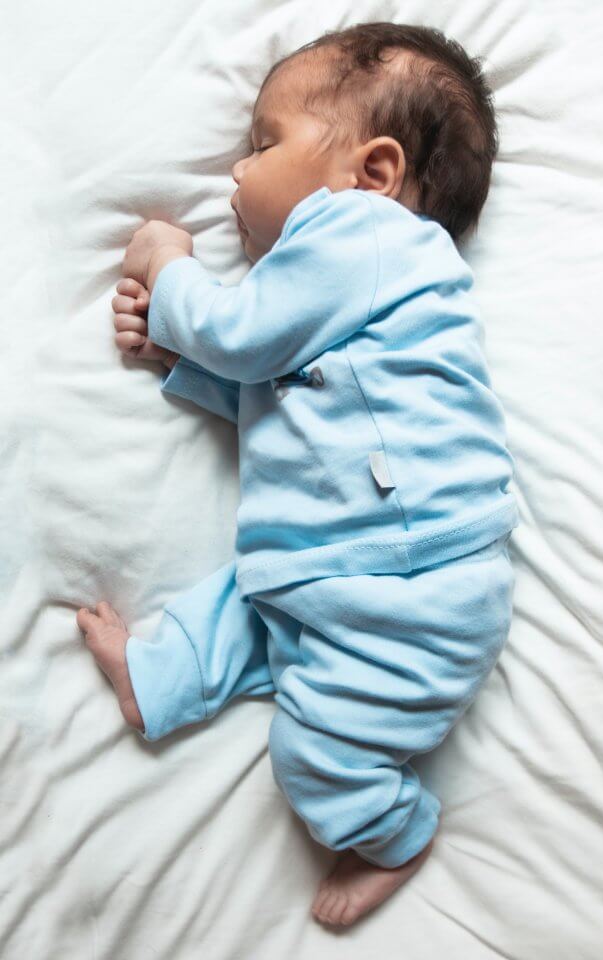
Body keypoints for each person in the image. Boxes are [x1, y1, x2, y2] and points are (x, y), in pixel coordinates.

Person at [76, 22, 518, 928]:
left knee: (313, 753)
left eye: (265, 143)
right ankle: (156, 680)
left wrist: (170, 272)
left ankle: (397, 829)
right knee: (248, 603)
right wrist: (178, 359)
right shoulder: (344, 294)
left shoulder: (366, 234)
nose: (236, 174)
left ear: (375, 172)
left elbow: (244, 340)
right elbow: (285, 395)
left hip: (411, 583)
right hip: (342, 562)